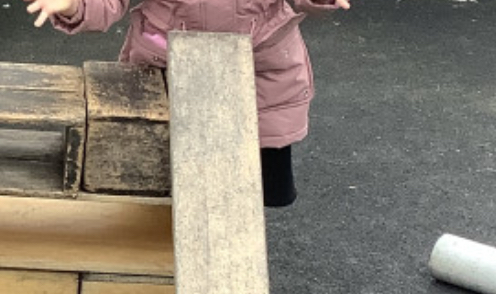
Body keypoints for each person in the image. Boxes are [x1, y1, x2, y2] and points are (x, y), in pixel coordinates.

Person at [23, 0, 351, 207]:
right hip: (167, 74)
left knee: (240, 198)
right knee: (156, 186)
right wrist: (73, 6)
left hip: (257, 80)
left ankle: (229, 269)